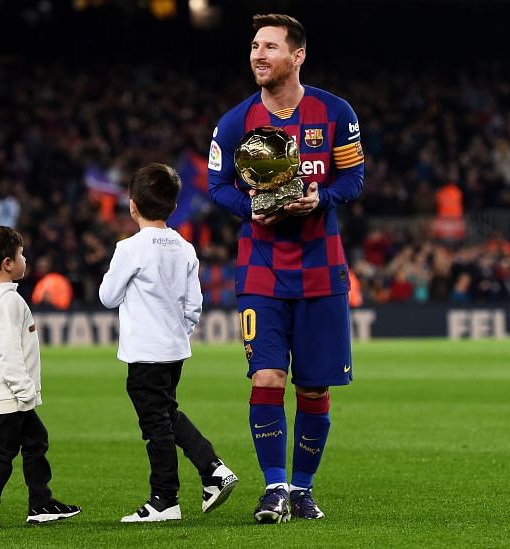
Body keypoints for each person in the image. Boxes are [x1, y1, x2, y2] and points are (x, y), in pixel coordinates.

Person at [207, 14, 365, 523]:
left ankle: (303, 489)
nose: (258, 54)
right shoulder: (234, 123)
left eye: (270, 46)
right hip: (262, 270)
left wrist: (323, 197)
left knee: (313, 386)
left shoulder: (335, 113)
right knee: (268, 376)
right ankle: (273, 488)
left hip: (322, 267)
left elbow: (354, 176)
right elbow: (217, 187)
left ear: (296, 56)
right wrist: (247, 208)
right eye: (254, 46)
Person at [99, 163, 238, 523]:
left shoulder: (130, 248)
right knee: (165, 413)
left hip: (144, 352)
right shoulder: (185, 248)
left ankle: (165, 499)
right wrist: (178, 329)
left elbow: (108, 297)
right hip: (175, 349)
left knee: (155, 425)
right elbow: (195, 305)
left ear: (132, 206)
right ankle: (213, 470)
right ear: (174, 207)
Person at [0, 225, 81, 530]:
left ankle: (41, 503)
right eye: (21, 254)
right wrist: (25, 393)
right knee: (2, 456)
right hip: (9, 396)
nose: (25, 259)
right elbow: (9, 353)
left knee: (35, 440)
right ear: (7, 263)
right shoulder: (9, 302)